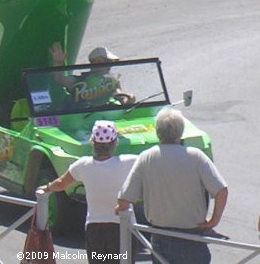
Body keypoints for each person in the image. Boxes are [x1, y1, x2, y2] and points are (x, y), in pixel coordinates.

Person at [116, 108, 228, 264]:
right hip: (192, 236)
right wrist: (213, 221)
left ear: (158, 132)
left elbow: (124, 200)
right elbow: (221, 191)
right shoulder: (196, 156)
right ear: (180, 132)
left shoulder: (146, 158)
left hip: (160, 236)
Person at [38, 120, 137, 263]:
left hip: (95, 228)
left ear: (92, 142)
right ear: (115, 142)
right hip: (122, 227)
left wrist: (46, 188)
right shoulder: (128, 162)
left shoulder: (83, 165)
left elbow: (60, 184)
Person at [50, 42, 135, 106]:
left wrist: (128, 99)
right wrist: (58, 63)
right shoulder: (81, 81)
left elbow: (119, 95)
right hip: (82, 118)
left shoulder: (111, 80)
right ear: (98, 63)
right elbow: (60, 79)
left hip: (106, 116)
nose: (110, 67)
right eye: (108, 62)